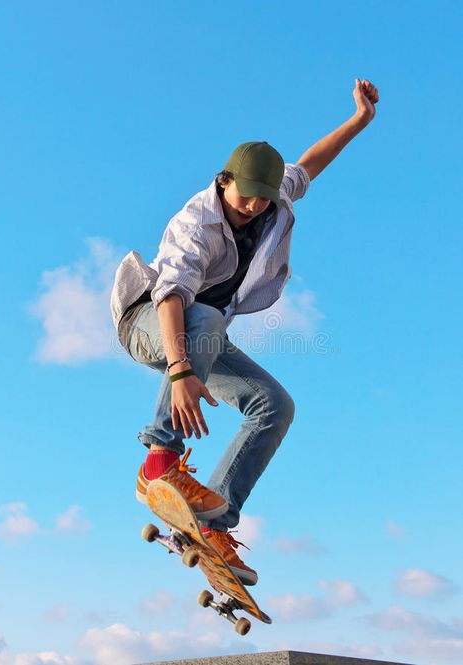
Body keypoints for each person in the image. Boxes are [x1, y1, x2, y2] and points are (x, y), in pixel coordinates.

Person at [111, 78, 379, 586]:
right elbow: (171, 296)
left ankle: (212, 524)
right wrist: (182, 368)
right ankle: (158, 462)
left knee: (274, 405)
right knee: (205, 317)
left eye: (262, 200)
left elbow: (312, 163)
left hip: (201, 336)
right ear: (224, 179)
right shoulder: (196, 222)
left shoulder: (274, 195)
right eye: (244, 198)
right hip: (150, 320)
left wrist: (359, 121)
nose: (253, 208)